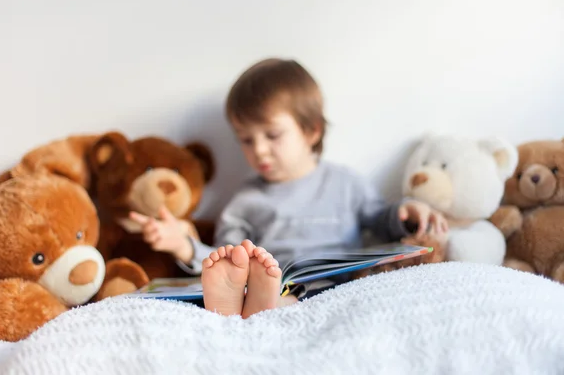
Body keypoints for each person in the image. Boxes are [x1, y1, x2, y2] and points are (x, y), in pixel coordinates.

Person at [128, 58, 448, 319]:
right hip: (282, 288)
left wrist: (407, 211)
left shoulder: (344, 182)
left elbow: (382, 218)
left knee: (383, 284)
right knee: (260, 281)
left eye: (272, 135)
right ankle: (252, 307)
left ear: (311, 131)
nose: (260, 151)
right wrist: (185, 246)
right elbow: (226, 260)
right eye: (246, 139)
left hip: (346, 286)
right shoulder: (245, 201)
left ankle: (258, 309)